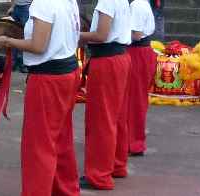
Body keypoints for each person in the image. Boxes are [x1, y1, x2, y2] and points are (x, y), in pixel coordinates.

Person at [0, 0, 82, 195]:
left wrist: (7, 41)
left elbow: (38, 45)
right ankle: (65, 190)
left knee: (39, 146)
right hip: (67, 71)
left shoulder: (43, 3)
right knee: (61, 139)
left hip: (48, 79)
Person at [79, 0, 132, 190]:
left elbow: (101, 35)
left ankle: (99, 175)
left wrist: (73, 35)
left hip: (107, 61)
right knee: (116, 116)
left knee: (101, 120)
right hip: (119, 57)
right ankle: (117, 164)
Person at [125, 0, 156, 157]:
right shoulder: (141, 3)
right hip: (141, 53)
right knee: (136, 100)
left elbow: (135, 34)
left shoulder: (136, 5)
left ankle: (134, 142)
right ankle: (132, 139)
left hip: (137, 53)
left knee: (134, 101)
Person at [7, 0, 32, 73]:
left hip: (26, 7)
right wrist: (12, 7)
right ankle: (13, 63)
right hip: (16, 7)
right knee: (14, 34)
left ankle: (23, 64)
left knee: (24, 35)